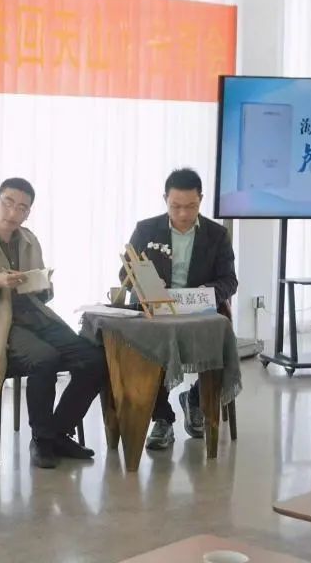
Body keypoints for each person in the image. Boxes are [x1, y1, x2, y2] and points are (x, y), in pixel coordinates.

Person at [0, 177, 106, 469]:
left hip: (35, 316)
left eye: (22, 207)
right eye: (7, 203)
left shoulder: (29, 240)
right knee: (44, 359)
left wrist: (43, 285)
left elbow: (41, 293)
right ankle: (41, 440)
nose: (13, 212)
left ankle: (58, 432)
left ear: (28, 212)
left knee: (94, 360)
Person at [121, 168, 238, 451]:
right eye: (176, 206)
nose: (183, 214)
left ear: (201, 200)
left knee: (223, 344)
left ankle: (194, 398)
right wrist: (147, 285)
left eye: (191, 206)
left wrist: (207, 292)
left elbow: (229, 280)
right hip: (157, 310)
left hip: (199, 312)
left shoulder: (217, 234)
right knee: (149, 348)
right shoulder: (146, 229)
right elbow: (125, 274)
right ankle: (162, 418)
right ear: (165, 199)